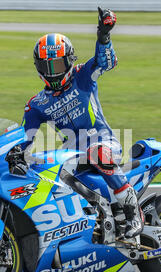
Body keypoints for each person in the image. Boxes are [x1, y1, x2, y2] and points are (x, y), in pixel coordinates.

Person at [21, 7, 144, 239]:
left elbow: (106, 61)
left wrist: (103, 36)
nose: (52, 73)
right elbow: (24, 137)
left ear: (68, 62)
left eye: (56, 66)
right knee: (43, 172)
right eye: (46, 67)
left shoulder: (83, 75)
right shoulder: (37, 104)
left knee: (97, 152)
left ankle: (132, 211)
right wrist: (16, 154)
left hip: (103, 142)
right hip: (72, 153)